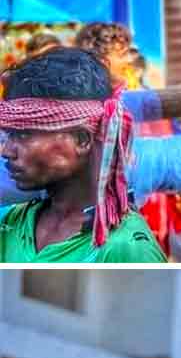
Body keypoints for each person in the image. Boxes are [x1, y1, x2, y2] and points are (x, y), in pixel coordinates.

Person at [0, 47, 166, 262]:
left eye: (23, 135)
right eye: (9, 135)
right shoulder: (11, 222)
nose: (6, 151)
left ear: (81, 140)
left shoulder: (127, 249)